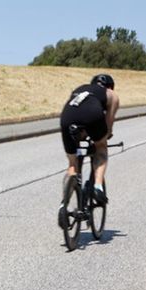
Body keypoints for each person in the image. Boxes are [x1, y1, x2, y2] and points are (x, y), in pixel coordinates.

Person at [58, 73, 119, 208]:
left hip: (67, 116)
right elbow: (108, 126)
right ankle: (98, 186)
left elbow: (78, 111)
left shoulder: (80, 88)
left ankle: (63, 205)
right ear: (110, 87)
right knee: (101, 147)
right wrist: (105, 136)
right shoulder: (112, 94)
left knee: (72, 165)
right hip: (92, 115)